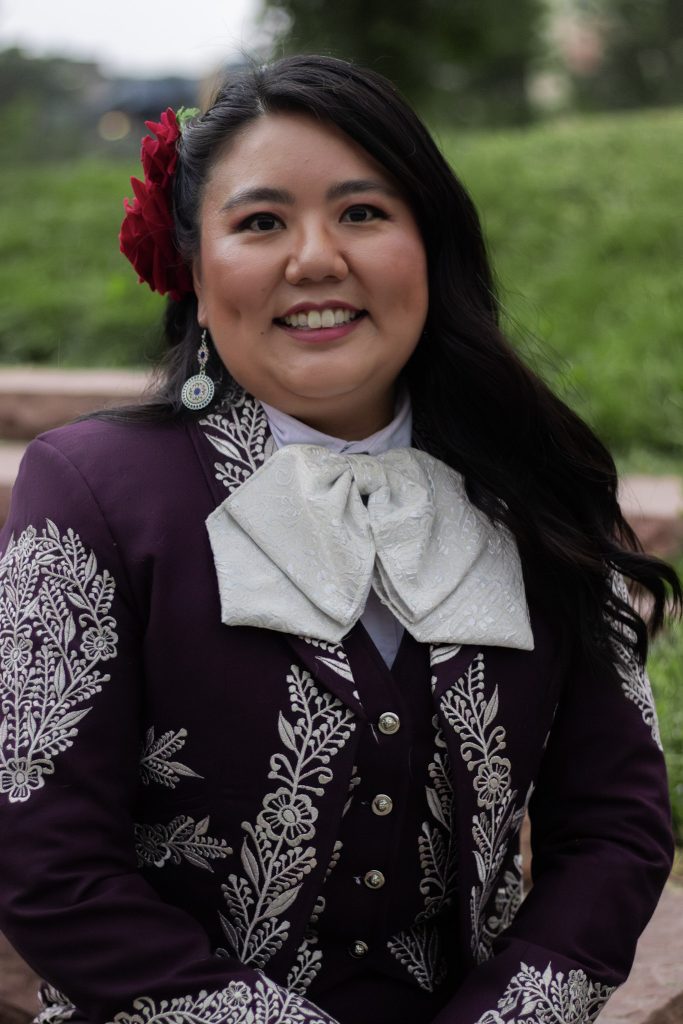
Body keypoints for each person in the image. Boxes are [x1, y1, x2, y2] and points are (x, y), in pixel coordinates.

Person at [0, 54, 680, 1024]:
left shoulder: (541, 484)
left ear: (428, 247)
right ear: (193, 266)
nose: (314, 257)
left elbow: (615, 826)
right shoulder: (91, 490)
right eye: (260, 221)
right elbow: (48, 864)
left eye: (362, 213)